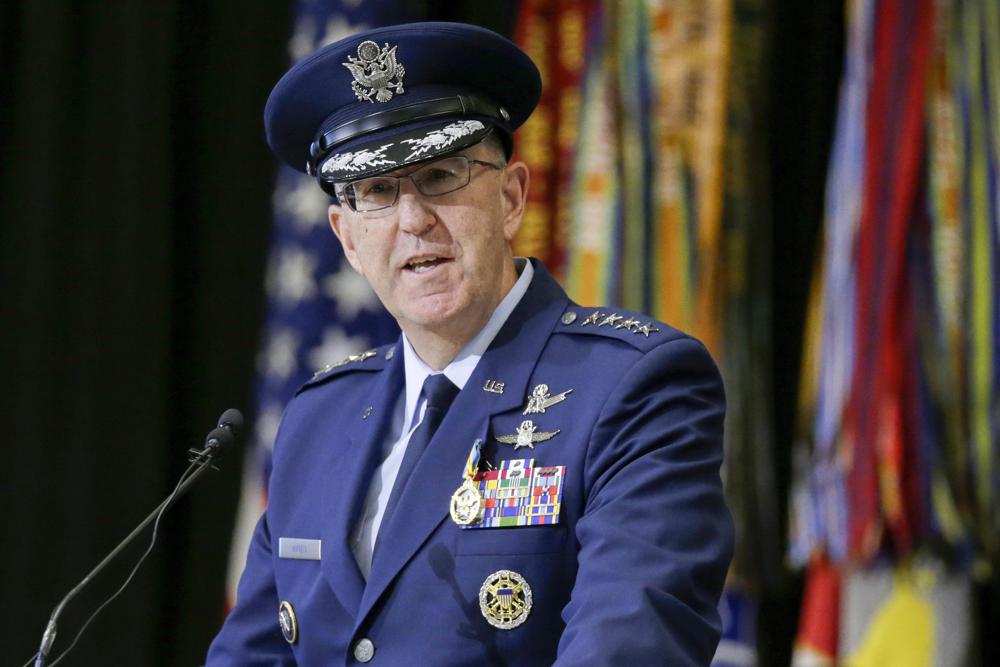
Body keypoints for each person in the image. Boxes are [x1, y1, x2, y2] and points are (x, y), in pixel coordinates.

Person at [207, 21, 733, 666]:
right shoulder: (319, 417)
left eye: (440, 176)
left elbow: (630, 644)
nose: (413, 220)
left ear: (511, 197)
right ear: (346, 237)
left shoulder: (635, 386)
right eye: (376, 192)